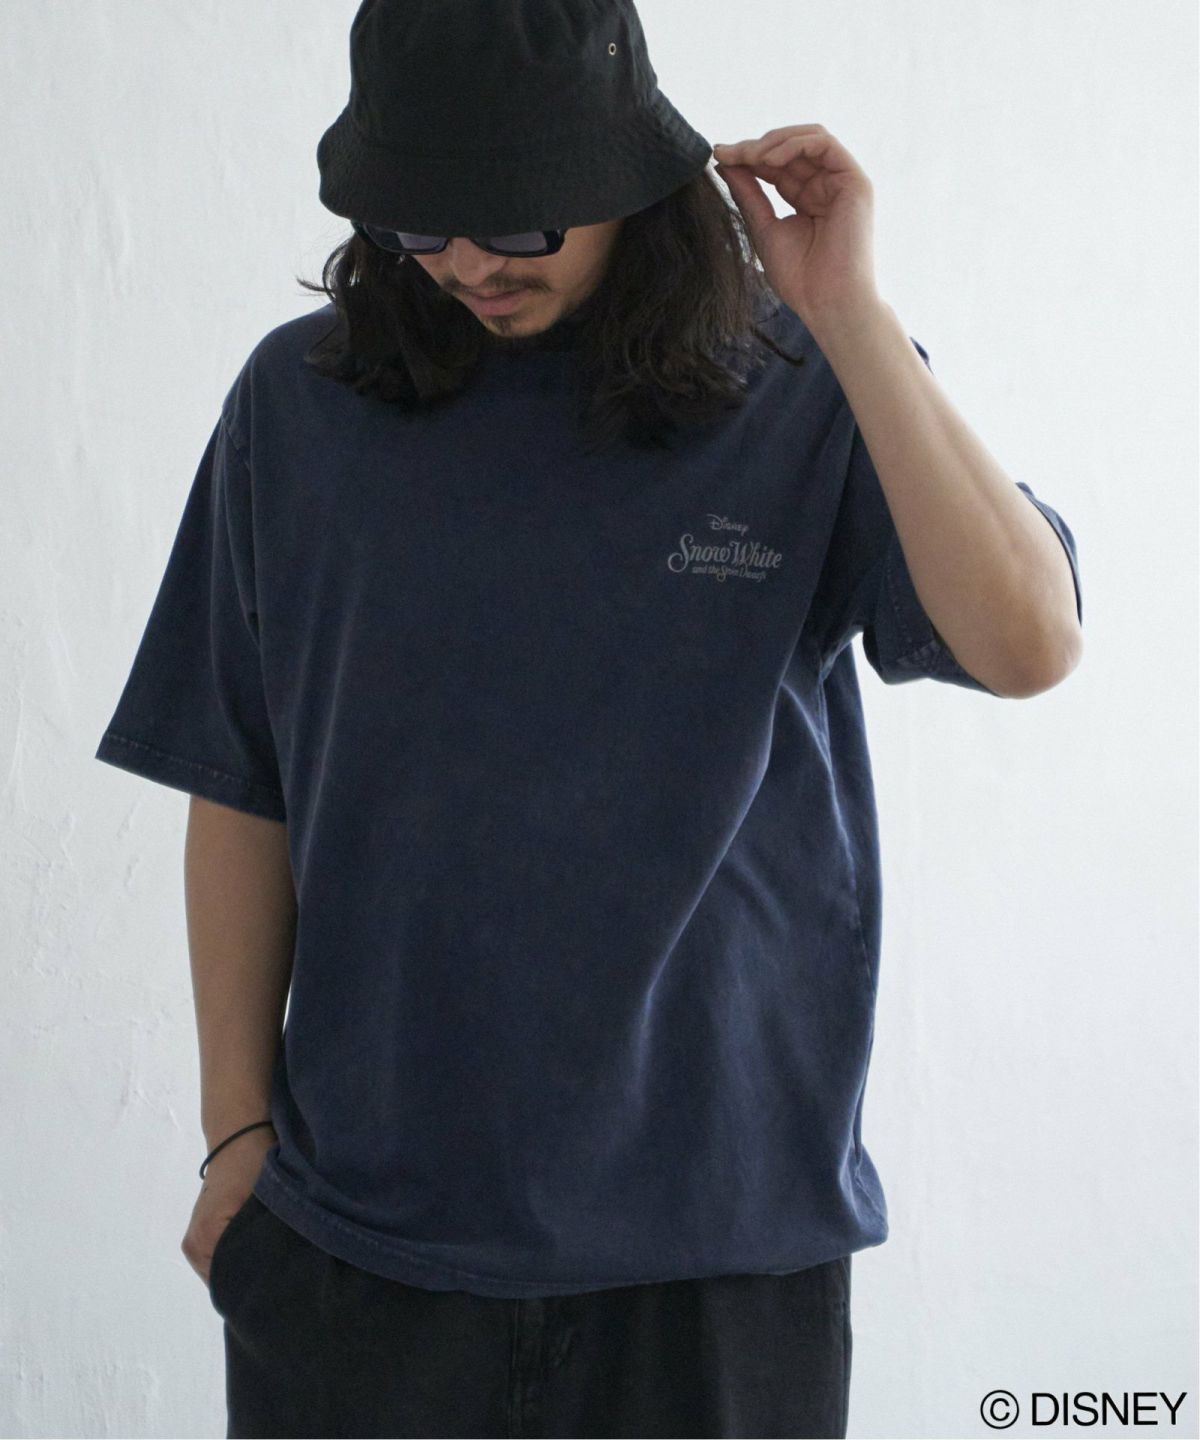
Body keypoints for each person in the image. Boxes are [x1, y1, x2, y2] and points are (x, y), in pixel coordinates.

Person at [94, 1, 1084, 1436]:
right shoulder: (299, 407)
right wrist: (233, 1132)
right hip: (360, 1252)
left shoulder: (795, 384)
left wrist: (853, 318)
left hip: (719, 1259)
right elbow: (241, 776)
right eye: (418, 227)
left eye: (516, 224)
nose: (467, 266)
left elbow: (1032, 645)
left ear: (630, 176)